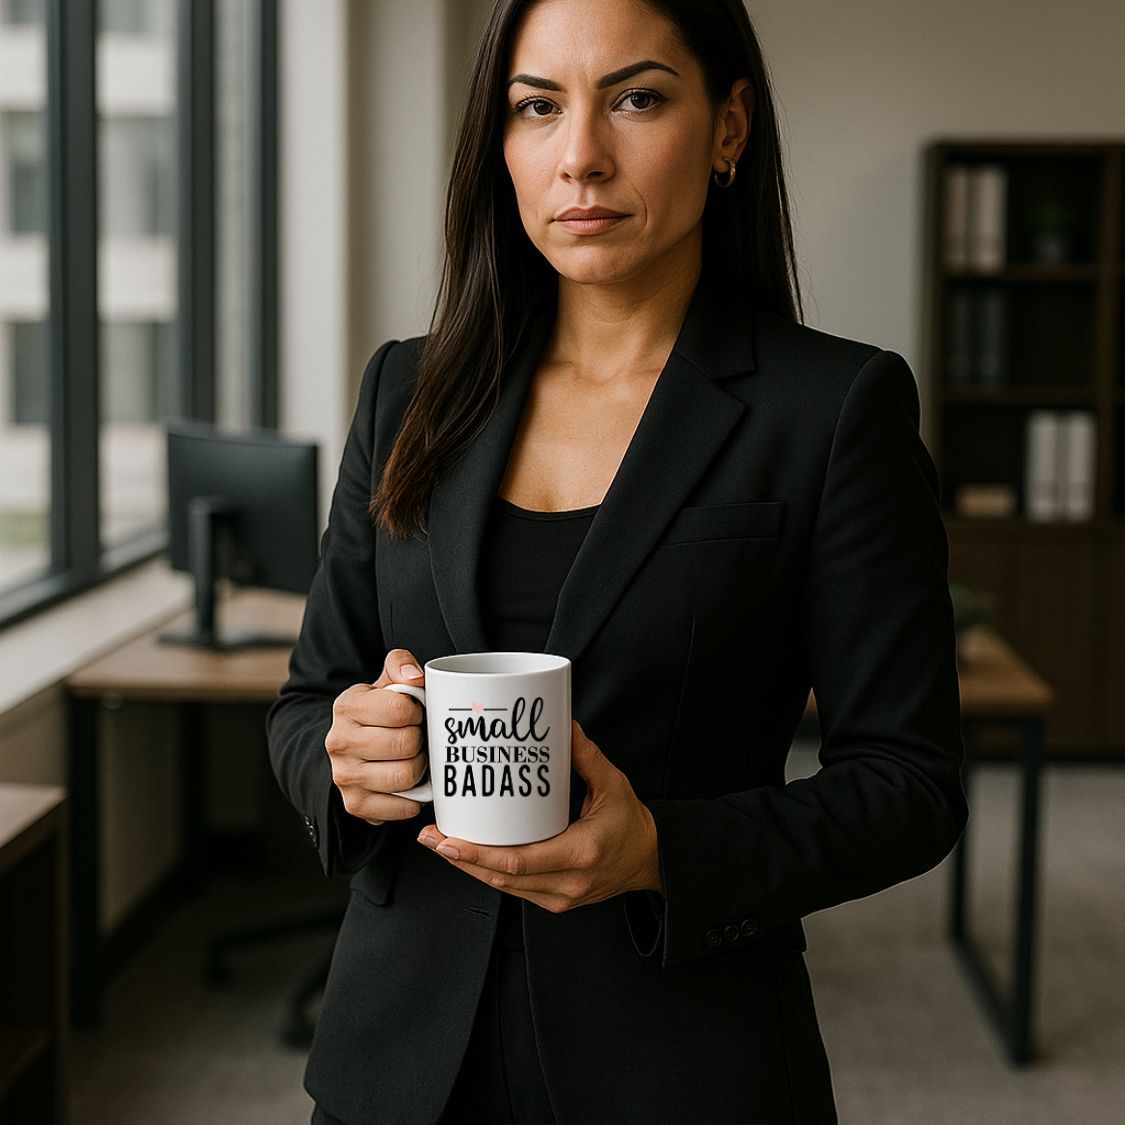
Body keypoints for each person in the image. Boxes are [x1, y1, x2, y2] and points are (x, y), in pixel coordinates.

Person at [266, 0, 969, 1121]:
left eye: (636, 98)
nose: (580, 155)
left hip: (682, 1062)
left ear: (729, 126)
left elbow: (910, 784)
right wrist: (351, 762)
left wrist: (661, 853)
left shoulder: (830, 409)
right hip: (395, 1064)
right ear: (499, 145)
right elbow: (309, 700)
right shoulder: (409, 391)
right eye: (537, 107)